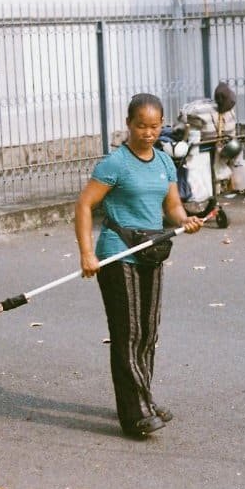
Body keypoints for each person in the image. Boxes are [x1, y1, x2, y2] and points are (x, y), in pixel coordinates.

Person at [75, 93, 205, 438]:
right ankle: (135, 414)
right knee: (128, 335)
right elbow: (85, 207)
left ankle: (143, 398)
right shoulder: (114, 164)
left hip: (152, 251)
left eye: (155, 126)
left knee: (148, 333)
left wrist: (188, 220)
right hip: (118, 254)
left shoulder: (163, 162)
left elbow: (172, 207)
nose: (148, 132)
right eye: (141, 126)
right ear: (129, 124)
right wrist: (87, 254)